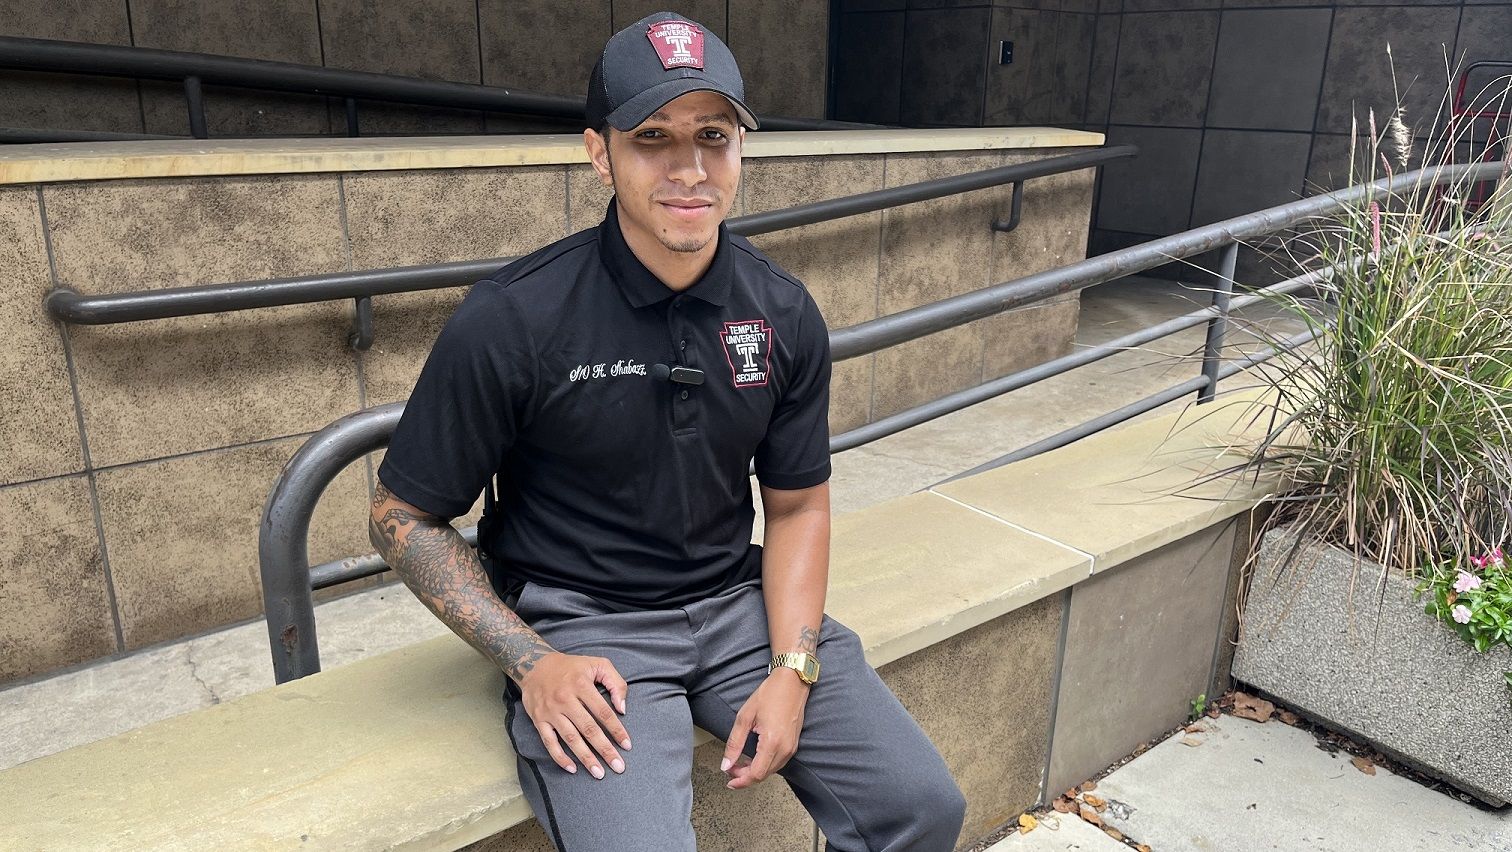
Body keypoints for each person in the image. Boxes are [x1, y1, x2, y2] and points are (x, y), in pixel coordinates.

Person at [367, 11, 965, 851]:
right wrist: (530, 659)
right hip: (585, 628)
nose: (690, 170)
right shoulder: (515, 319)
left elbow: (796, 507)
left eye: (713, 136)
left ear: (740, 150)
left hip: (739, 611)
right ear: (597, 152)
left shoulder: (782, 312)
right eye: (652, 138)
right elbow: (401, 516)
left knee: (922, 806)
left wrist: (793, 667)